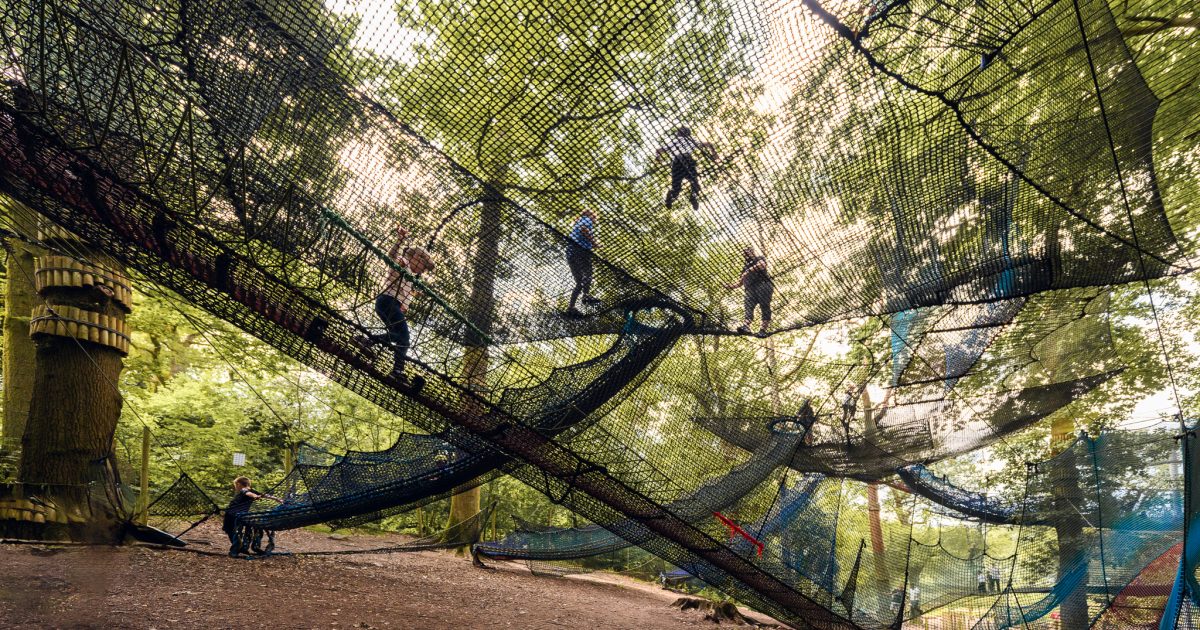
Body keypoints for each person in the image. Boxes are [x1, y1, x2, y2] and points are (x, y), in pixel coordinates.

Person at [353, 225, 434, 388]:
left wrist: (405, 305)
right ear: (415, 259)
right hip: (387, 301)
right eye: (423, 266)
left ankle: (373, 347)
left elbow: (405, 294)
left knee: (400, 338)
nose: (423, 271)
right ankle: (390, 365)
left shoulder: (411, 277)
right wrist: (400, 240)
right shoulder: (403, 263)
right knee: (404, 338)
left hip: (391, 305)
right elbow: (391, 256)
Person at [655, 126, 718, 211]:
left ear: (679, 133)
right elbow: (708, 144)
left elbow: (658, 150)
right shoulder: (690, 140)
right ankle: (692, 196)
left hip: (677, 163)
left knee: (677, 188)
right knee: (694, 182)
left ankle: (672, 195)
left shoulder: (675, 141)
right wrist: (714, 153)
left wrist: (658, 157)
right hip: (687, 161)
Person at [223, 476, 280, 557]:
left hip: (231, 514)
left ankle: (238, 547)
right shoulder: (252, 490)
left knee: (229, 529)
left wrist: (254, 496)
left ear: (239, 484)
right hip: (238, 514)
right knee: (233, 530)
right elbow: (264, 495)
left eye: (235, 485)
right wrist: (277, 499)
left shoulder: (244, 490)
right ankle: (240, 547)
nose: (236, 487)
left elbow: (248, 493)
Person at [727, 247, 773, 337]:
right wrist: (730, 286)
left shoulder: (758, 258)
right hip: (750, 289)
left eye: (747, 251)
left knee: (764, 306)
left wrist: (748, 271)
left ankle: (763, 330)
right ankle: (746, 326)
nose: (746, 254)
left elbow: (762, 265)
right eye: (744, 253)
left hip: (763, 284)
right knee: (748, 306)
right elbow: (739, 283)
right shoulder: (745, 267)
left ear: (752, 252)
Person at [565, 209, 602, 317]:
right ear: (590, 215)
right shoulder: (586, 219)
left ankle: (571, 307)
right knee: (589, 273)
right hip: (580, 251)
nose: (595, 218)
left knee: (579, 283)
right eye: (594, 216)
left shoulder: (578, 222)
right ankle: (586, 296)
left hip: (570, 253)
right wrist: (594, 243)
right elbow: (583, 229)